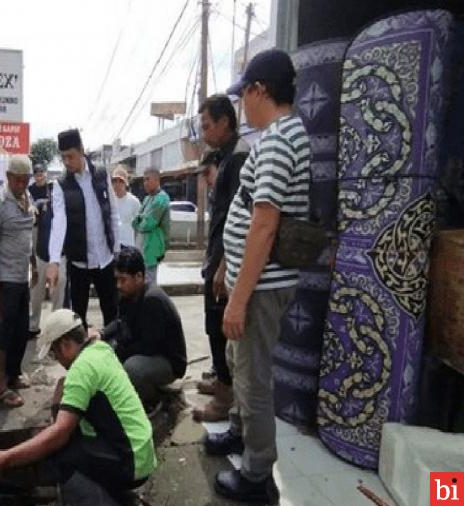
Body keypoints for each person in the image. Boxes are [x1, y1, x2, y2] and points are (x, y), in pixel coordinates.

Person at [207, 49, 311, 504]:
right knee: (238, 361)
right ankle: (238, 433)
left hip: (261, 289)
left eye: (244, 95)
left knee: (252, 379)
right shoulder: (283, 135)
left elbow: (265, 223)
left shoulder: (275, 141)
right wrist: (229, 266)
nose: (242, 107)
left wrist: (237, 299)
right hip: (256, 281)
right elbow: (252, 214)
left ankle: (256, 476)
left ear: (258, 91)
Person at [0, 309, 157, 504]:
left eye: (55, 353)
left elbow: (59, 435)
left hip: (131, 462)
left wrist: (6, 458)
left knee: (59, 455)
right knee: (63, 435)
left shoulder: (82, 369)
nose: (58, 360)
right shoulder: (100, 349)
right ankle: (114, 494)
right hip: (142, 452)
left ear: (65, 344)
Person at [192, 95, 250, 423]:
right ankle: (221, 383)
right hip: (217, 253)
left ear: (225, 122)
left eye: (206, 125)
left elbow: (241, 216)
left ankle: (224, 400)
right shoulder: (225, 157)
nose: (203, 132)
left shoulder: (239, 158)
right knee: (213, 327)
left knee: (219, 327)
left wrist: (225, 263)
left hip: (226, 259)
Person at [46, 129, 121, 328]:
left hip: (105, 259)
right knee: (77, 319)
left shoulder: (101, 174)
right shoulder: (61, 185)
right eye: (63, 158)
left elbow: (113, 213)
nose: (67, 162)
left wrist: (117, 251)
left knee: (113, 314)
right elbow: (58, 223)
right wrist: (54, 261)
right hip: (79, 263)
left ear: (81, 150)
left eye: (70, 156)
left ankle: (112, 354)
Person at [100, 247, 187, 408]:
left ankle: (154, 400)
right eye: (116, 280)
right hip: (147, 351)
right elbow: (119, 322)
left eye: (123, 280)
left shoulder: (152, 301)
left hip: (167, 360)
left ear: (139, 277)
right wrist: (101, 334)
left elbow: (149, 347)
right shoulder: (128, 294)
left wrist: (116, 353)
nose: (118, 285)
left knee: (132, 368)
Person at [0, 155, 36, 409]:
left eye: (26, 181)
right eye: (18, 180)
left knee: (21, 331)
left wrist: (34, 266)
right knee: (3, 333)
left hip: (22, 277)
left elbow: (29, 235)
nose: (22, 185)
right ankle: (1, 387)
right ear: (8, 178)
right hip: (5, 280)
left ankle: (14, 375)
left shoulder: (27, 199)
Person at [28, 163, 67, 336]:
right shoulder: (42, 204)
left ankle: (55, 330)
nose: (55, 194)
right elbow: (31, 212)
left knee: (59, 292)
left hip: (60, 258)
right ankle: (33, 325)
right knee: (36, 293)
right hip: (42, 256)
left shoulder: (67, 208)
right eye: (53, 191)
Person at [132, 168, 170, 286]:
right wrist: (141, 219)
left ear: (157, 180)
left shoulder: (161, 199)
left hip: (152, 249)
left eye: (148, 179)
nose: (145, 183)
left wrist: (141, 219)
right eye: (144, 180)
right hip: (141, 248)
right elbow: (134, 222)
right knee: (140, 283)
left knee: (149, 284)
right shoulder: (147, 199)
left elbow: (147, 224)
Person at [111, 166, 141, 247]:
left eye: (121, 181)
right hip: (112, 247)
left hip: (129, 246)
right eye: (114, 181)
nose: (117, 184)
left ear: (126, 183)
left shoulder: (134, 201)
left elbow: (139, 227)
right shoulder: (109, 201)